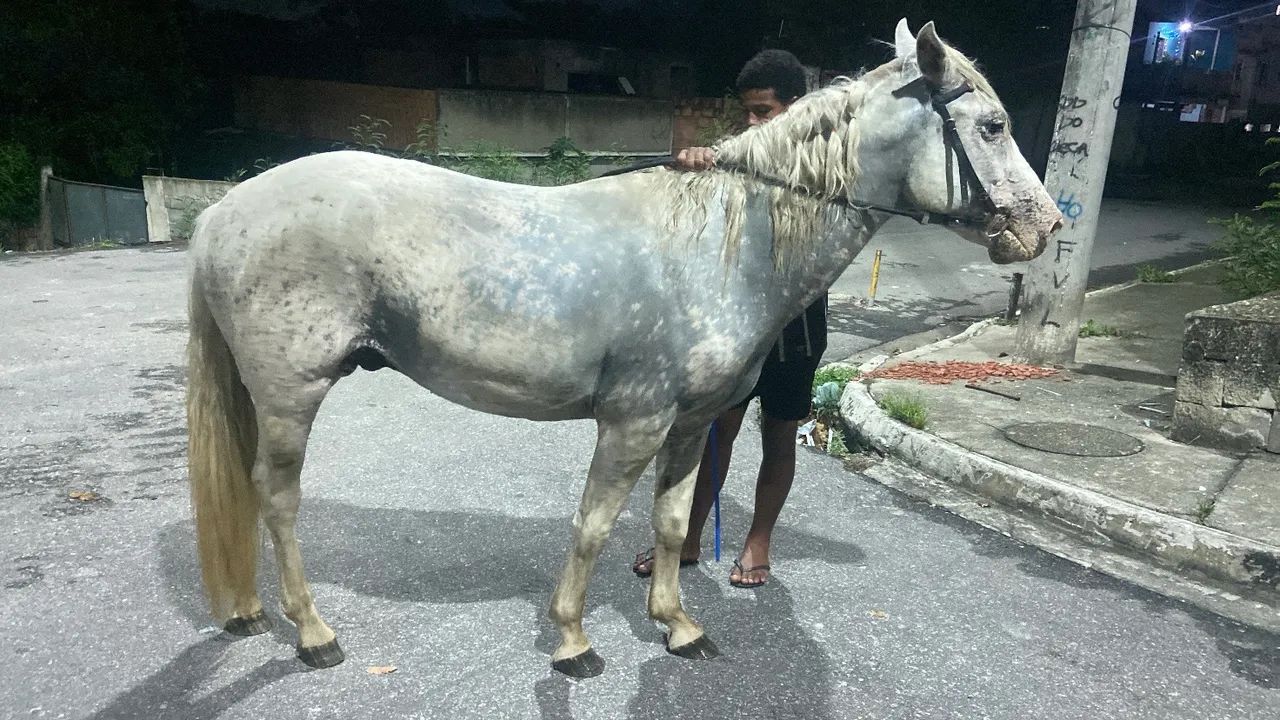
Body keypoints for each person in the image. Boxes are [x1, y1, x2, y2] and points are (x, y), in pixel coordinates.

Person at [633, 48, 826, 589]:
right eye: (747, 112)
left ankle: (757, 542)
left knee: (780, 436)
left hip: (800, 327)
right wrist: (692, 168)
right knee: (717, 432)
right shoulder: (735, 155)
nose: (752, 122)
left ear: (796, 107)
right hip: (737, 325)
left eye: (763, 112)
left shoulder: (826, 165)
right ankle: (688, 539)